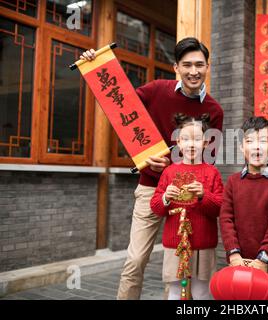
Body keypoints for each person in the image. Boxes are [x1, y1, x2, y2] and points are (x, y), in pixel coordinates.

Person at [80, 37, 223, 300]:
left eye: (200, 65)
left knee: (188, 264)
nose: (194, 71)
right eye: (187, 65)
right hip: (151, 189)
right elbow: (120, 107)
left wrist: (179, 165)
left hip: (190, 198)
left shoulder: (214, 110)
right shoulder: (157, 89)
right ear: (176, 67)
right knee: (135, 260)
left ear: (207, 66)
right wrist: (96, 67)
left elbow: (208, 161)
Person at [150, 113, 223, 300]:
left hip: (203, 243)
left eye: (197, 139)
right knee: (175, 291)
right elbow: (156, 207)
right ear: (178, 143)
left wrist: (203, 195)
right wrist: (166, 197)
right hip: (175, 243)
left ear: (206, 143)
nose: (191, 144)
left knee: (201, 292)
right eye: (185, 139)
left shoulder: (212, 172)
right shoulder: (169, 172)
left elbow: (220, 208)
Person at [219, 116, 268, 284]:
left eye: (263, 141)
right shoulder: (232, 182)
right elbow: (226, 219)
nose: (256, 147)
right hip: (238, 261)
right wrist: (233, 253)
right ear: (242, 147)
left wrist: (263, 259)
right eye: (250, 141)